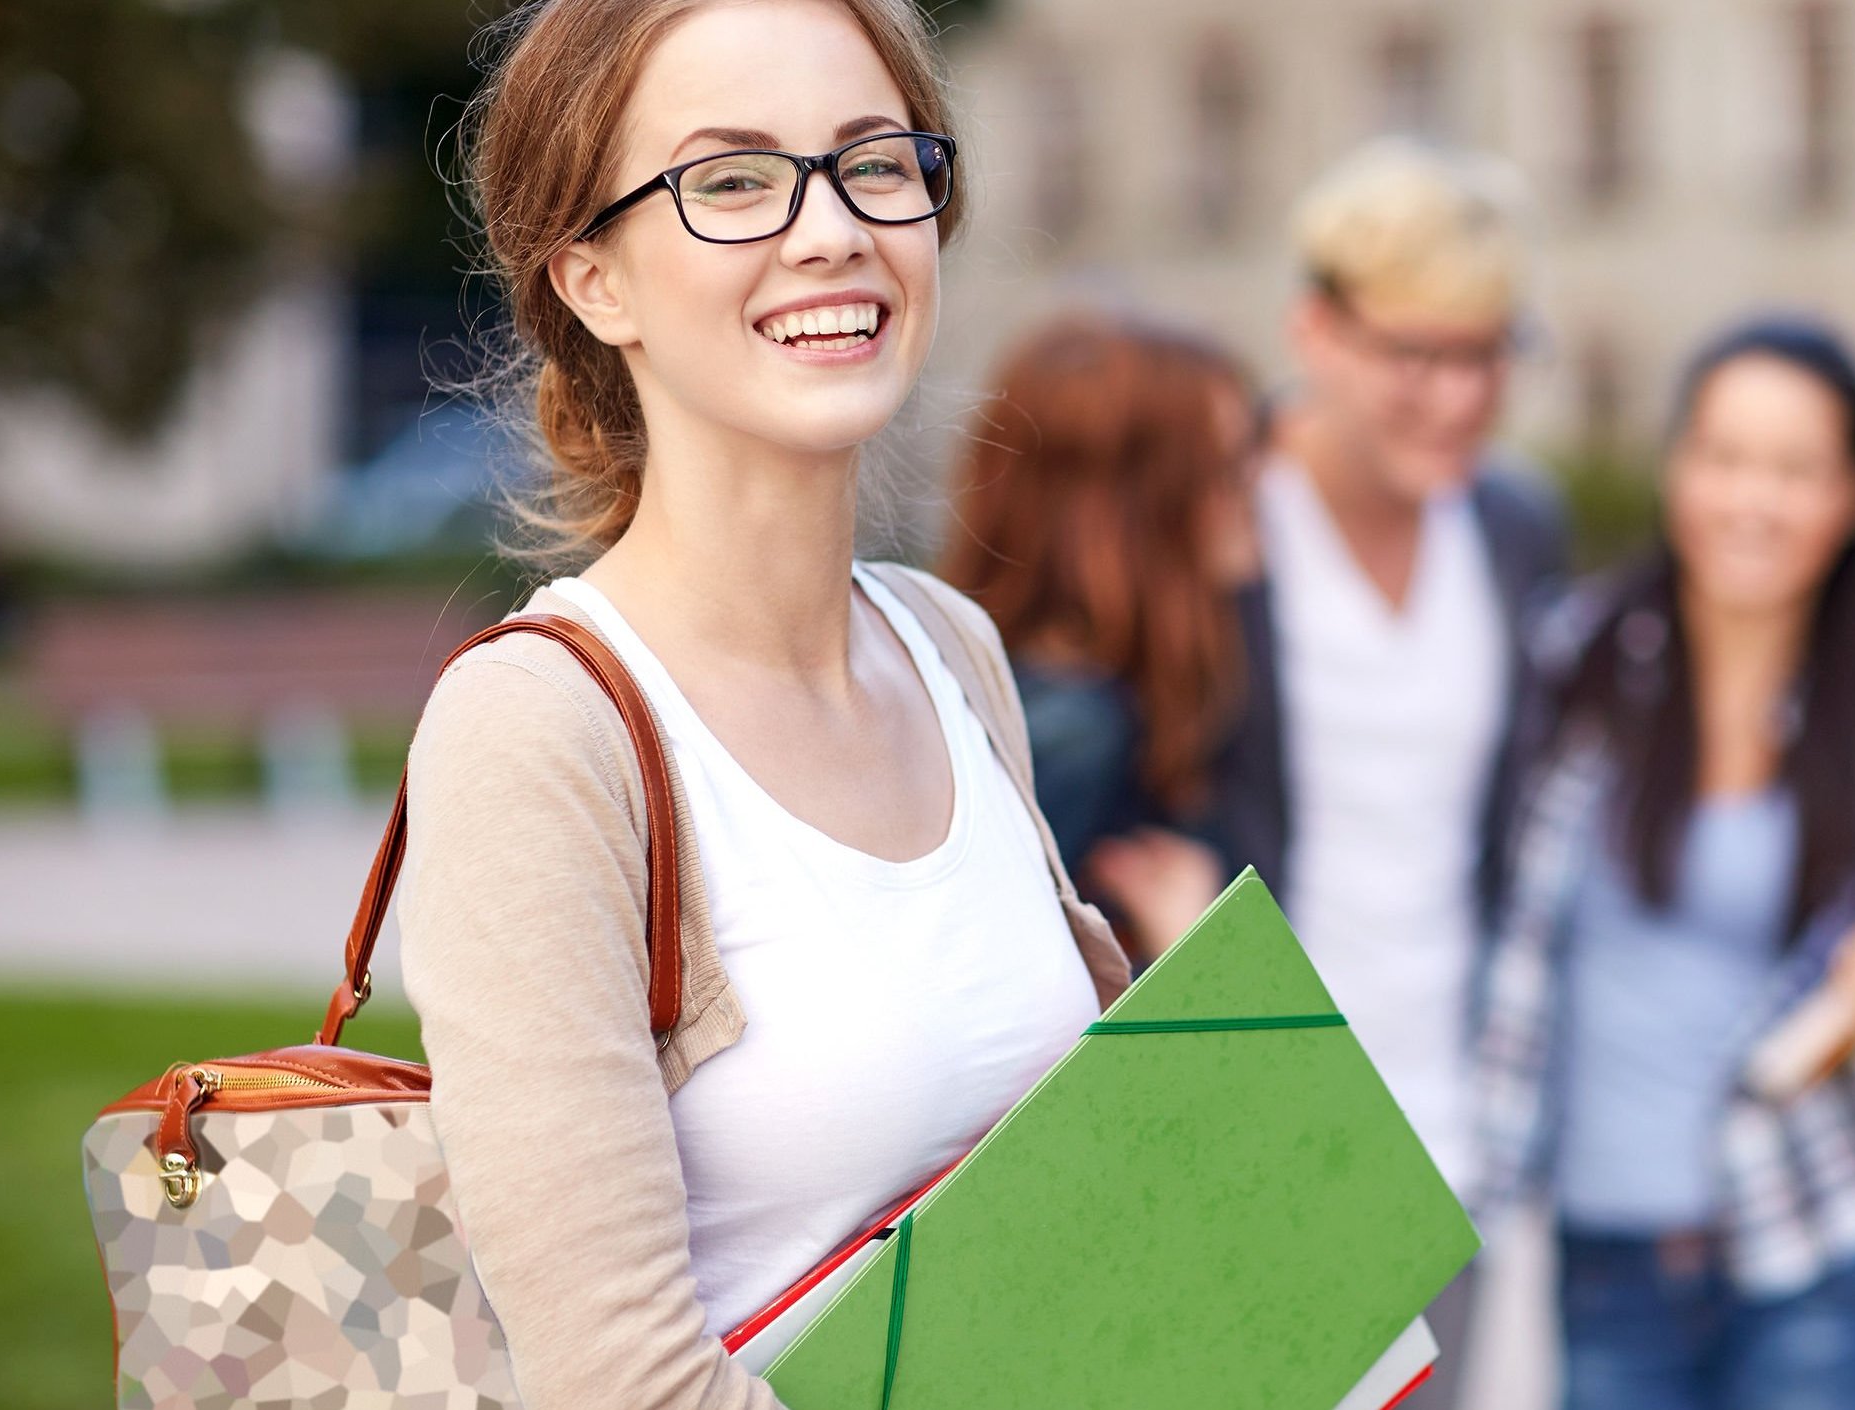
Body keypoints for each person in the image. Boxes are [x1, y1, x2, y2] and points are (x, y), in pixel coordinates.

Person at [396, 2, 1128, 1405]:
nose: (833, 228)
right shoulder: (540, 735)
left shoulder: (949, 648)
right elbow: (625, 1384)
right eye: (731, 179)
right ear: (592, 278)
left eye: (875, 162)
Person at [1470, 317, 1855, 1410]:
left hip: (1822, 1259)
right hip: (1608, 1268)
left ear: (1854, 498)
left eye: (1796, 470)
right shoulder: (1568, 674)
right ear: (1677, 470)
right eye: (1725, 458)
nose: (1753, 500)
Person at [1212, 138, 1568, 1402]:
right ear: (1316, 329)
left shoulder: (1518, 529)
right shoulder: (1222, 516)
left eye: (1488, 354)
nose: (1460, 398)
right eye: (1416, 355)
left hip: (1442, 1140)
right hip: (1245, 1133)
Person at [938, 315, 1262, 961]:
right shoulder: (1068, 731)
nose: (1256, 492)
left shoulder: (1097, 698)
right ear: (1130, 506)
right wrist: (1195, 954)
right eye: (1227, 469)